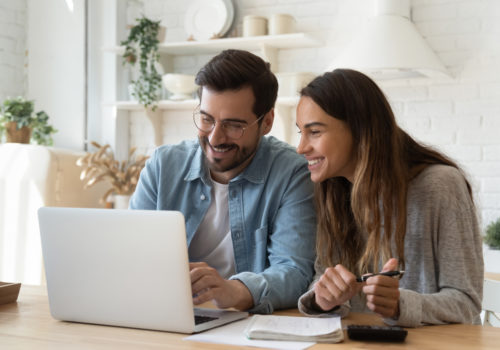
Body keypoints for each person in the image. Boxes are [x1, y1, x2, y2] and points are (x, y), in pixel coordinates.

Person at [130, 49, 316, 314]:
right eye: (206, 119)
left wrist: (234, 291)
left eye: (233, 125)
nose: (215, 138)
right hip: (165, 314)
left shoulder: (291, 174)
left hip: (244, 324)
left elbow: (295, 272)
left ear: (267, 122)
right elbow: (130, 254)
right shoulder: (162, 166)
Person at [295, 69, 483, 327]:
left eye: (314, 132)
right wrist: (324, 298)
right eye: (300, 132)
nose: (301, 147)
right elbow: (323, 277)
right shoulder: (334, 192)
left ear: (359, 130)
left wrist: (399, 305)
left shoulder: (440, 186)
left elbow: (466, 302)